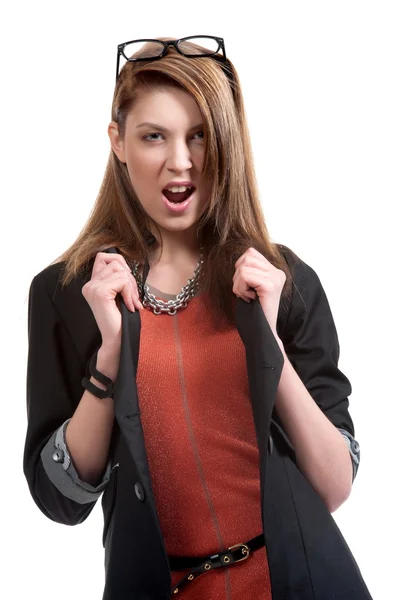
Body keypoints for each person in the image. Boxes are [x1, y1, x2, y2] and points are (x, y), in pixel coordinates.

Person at [23, 36, 372, 599]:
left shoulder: (282, 282)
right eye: (154, 136)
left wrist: (269, 345)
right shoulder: (69, 294)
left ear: (226, 143)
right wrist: (109, 357)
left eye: (200, 136)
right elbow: (60, 498)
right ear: (118, 142)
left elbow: (334, 486)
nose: (180, 161)